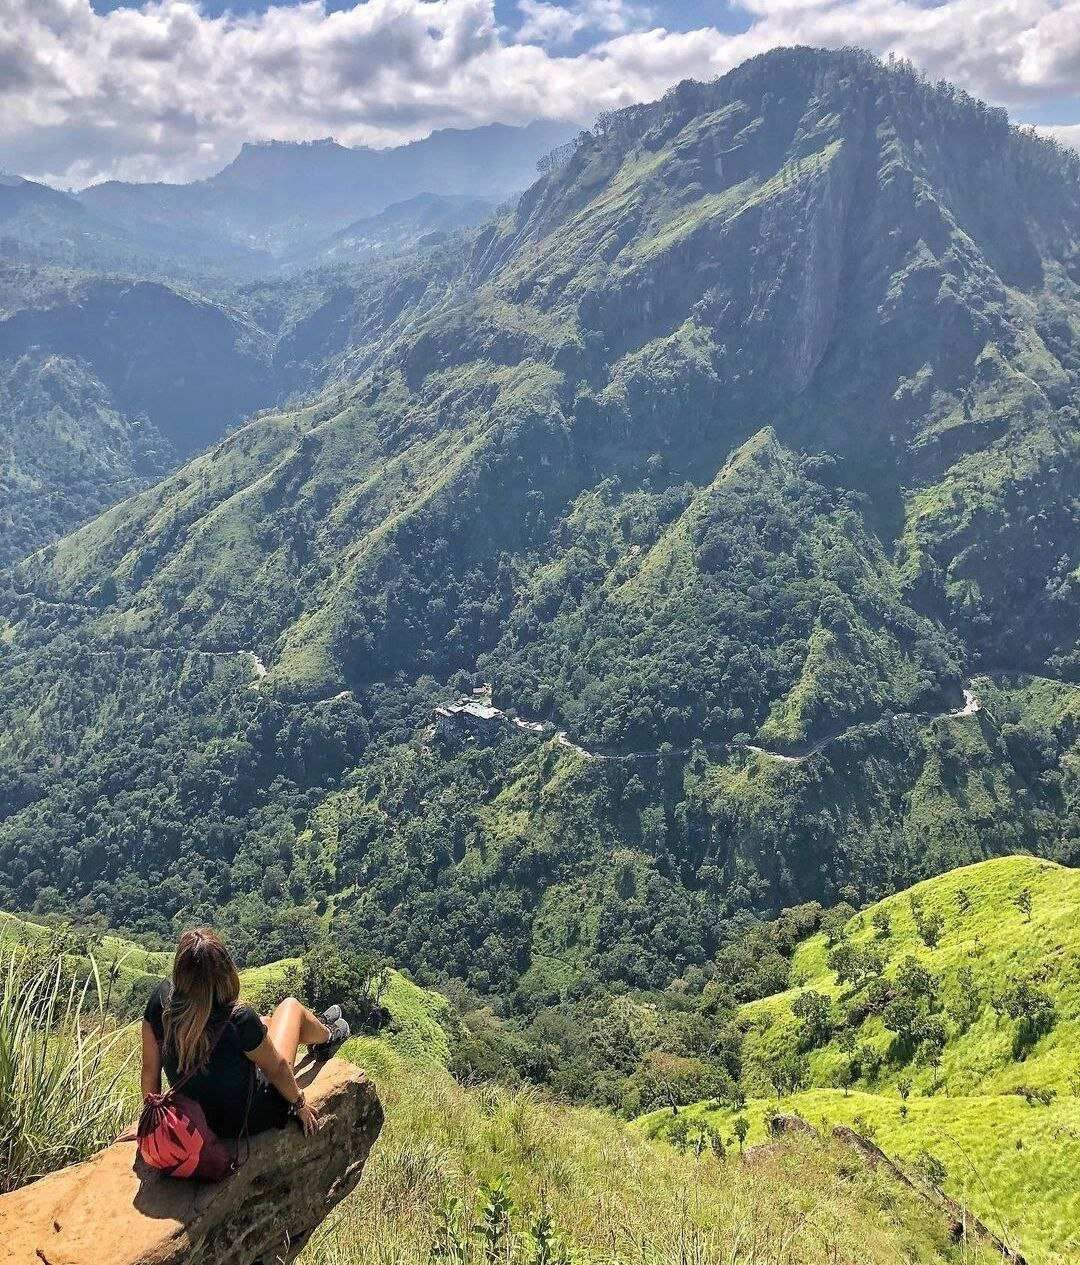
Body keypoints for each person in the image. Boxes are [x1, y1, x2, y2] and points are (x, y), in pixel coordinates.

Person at [122, 927, 350, 1142]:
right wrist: (299, 1103)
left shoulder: (162, 1001)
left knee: (265, 1022)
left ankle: (324, 1028)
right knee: (290, 1007)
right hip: (248, 1119)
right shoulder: (237, 1018)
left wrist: (149, 1121)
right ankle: (329, 1034)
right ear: (225, 971)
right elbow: (277, 1068)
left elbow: (150, 1069)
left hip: (194, 1121)